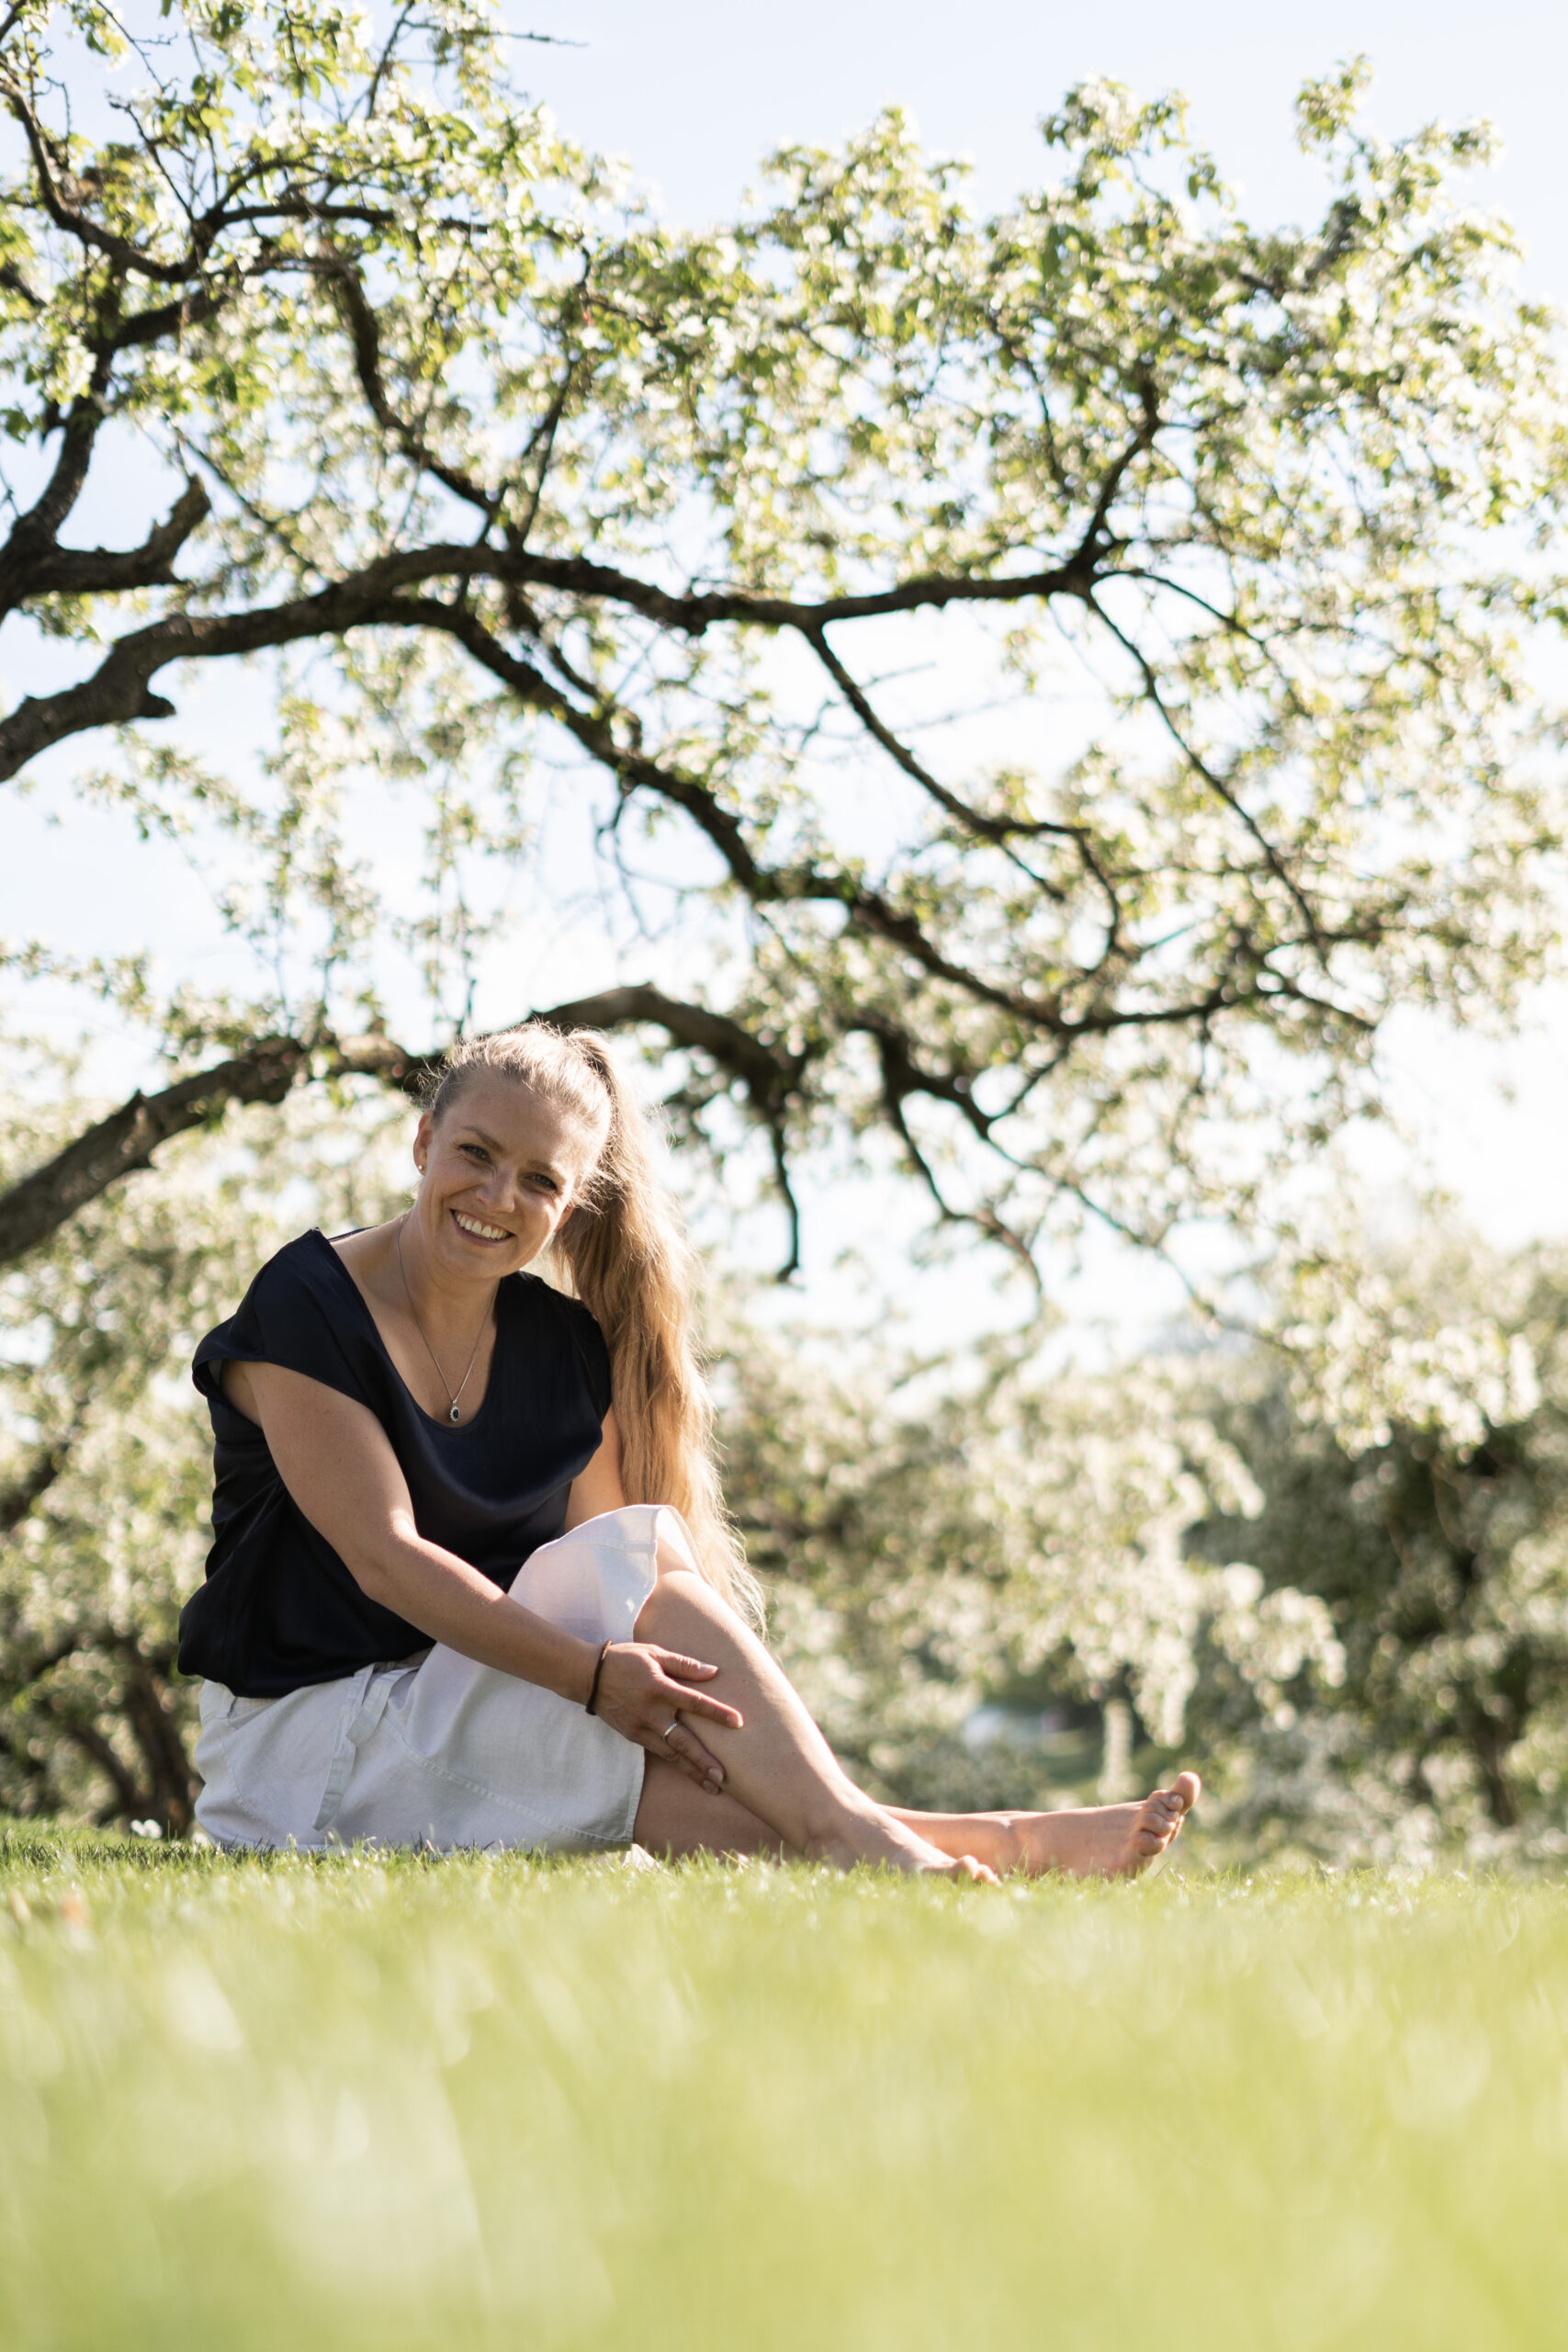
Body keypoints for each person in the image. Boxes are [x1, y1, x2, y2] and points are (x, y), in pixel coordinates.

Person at [179, 1023, 1200, 1878]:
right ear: (422, 1140)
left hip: (456, 1702)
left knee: (662, 1631)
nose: (496, 1197)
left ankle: (981, 1842)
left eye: (539, 1181)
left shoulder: (560, 1348)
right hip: (303, 1743)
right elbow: (385, 1558)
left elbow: (615, 1568)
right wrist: (592, 1680)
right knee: (654, 1628)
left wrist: (619, 1680)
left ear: (571, 1204)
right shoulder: (307, 1303)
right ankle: (934, 1835)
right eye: (476, 1154)